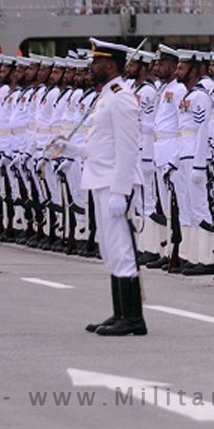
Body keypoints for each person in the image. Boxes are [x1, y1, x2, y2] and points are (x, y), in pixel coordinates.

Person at [77, 39, 145, 336]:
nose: (92, 67)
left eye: (97, 62)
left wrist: (121, 190)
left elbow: (128, 147)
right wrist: (70, 149)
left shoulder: (121, 97)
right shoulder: (105, 96)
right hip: (101, 179)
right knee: (110, 248)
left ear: (111, 65)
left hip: (114, 183)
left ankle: (133, 319)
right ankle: (120, 313)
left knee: (121, 248)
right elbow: (102, 144)